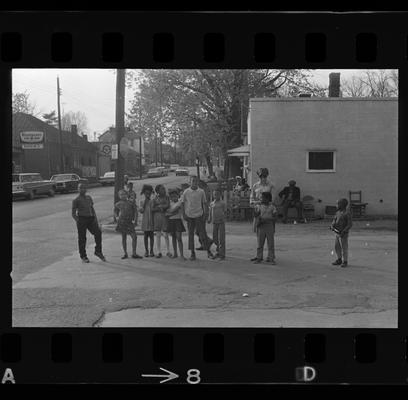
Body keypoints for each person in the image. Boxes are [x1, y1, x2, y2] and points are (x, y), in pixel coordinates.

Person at [181, 176, 215, 261]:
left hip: (199, 215)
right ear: (190, 182)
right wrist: (184, 214)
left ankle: (208, 252)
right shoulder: (186, 192)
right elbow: (182, 203)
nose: (194, 183)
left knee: (202, 234)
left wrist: (206, 213)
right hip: (189, 216)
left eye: (196, 181)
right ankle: (192, 253)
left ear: (198, 182)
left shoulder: (201, 191)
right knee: (191, 235)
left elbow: (204, 203)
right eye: (193, 181)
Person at [72, 183, 106, 263]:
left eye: (84, 188)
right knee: (82, 238)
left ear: (86, 189)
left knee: (98, 233)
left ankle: (98, 251)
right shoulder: (76, 200)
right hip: (82, 219)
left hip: (91, 219)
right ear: (78, 189)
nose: (82, 189)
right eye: (80, 188)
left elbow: (92, 208)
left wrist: (95, 219)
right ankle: (83, 256)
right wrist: (78, 220)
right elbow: (73, 213)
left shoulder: (89, 198)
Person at [114, 189, 142, 259]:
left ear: (127, 195)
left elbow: (135, 211)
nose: (123, 196)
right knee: (124, 237)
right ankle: (125, 253)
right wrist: (117, 217)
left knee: (134, 237)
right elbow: (115, 211)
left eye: (124, 194)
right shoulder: (118, 204)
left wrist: (135, 220)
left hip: (129, 222)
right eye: (121, 194)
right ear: (119, 196)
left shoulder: (131, 203)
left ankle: (134, 253)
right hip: (122, 222)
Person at [251, 191, 277, 264]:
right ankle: (259, 257)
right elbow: (256, 215)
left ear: (268, 199)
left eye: (262, 198)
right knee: (260, 243)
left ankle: (271, 258)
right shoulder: (259, 206)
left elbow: (275, 217)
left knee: (270, 243)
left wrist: (268, 220)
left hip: (269, 225)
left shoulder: (272, 207)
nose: (261, 199)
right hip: (261, 225)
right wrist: (255, 211)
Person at [250, 167, 275, 232]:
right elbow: (252, 198)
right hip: (258, 205)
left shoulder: (271, 185)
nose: (263, 178)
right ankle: (255, 228)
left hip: (268, 205)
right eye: (261, 176)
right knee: (258, 210)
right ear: (259, 176)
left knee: (272, 211)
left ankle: (272, 229)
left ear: (267, 176)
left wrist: (268, 203)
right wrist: (254, 203)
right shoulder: (255, 186)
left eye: (265, 176)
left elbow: (273, 199)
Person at [330, 198, 352, 268]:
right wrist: (332, 225)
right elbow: (334, 220)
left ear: (342, 205)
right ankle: (339, 259)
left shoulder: (347, 213)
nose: (336, 205)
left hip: (343, 234)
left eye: (338, 204)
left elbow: (349, 224)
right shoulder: (337, 212)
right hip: (337, 232)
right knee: (337, 247)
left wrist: (344, 231)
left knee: (344, 247)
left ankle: (345, 261)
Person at [165, 188, 186, 260]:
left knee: (179, 238)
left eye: (175, 196)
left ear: (178, 196)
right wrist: (171, 212)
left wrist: (170, 212)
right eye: (172, 196)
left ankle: (182, 255)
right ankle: (175, 253)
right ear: (170, 197)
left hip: (178, 221)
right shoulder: (169, 203)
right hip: (171, 221)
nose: (174, 197)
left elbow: (172, 210)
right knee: (173, 237)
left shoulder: (179, 203)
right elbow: (166, 212)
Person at [152, 184, 171, 258]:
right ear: (158, 191)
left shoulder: (167, 197)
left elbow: (168, 205)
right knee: (158, 234)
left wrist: (160, 206)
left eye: (164, 188)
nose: (164, 190)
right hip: (157, 217)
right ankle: (159, 251)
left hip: (164, 217)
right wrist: (160, 208)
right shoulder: (155, 198)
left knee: (166, 234)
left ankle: (168, 251)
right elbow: (152, 208)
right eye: (162, 189)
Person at [195, 179, 214, 251]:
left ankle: (206, 242)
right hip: (197, 212)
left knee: (200, 230)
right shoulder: (199, 192)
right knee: (199, 230)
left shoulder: (203, 193)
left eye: (198, 185)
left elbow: (205, 204)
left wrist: (206, 213)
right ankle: (205, 242)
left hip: (202, 213)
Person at [208, 188, 226, 260]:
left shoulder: (222, 203)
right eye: (215, 194)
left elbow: (225, 212)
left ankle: (222, 254)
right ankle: (218, 251)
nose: (216, 195)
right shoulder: (212, 203)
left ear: (220, 195)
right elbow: (210, 212)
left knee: (221, 239)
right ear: (213, 195)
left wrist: (223, 218)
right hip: (214, 223)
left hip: (221, 222)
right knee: (215, 238)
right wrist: (209, 219)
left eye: (217, 194)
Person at [139, 184, 155, 257]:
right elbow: (141, 211)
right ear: (144, 193)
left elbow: (154, 210)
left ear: (151, 193)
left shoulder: (152, 201)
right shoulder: (142, 201)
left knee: (151, 236)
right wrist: (145, 202)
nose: (147, 195)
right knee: (145, 236)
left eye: (149, 193)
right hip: (145, 221)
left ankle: (151, 250)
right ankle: (146, 251)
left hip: (151, 220)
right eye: (146, 193)